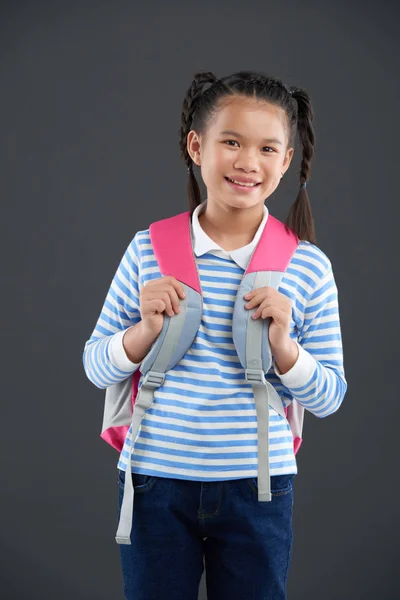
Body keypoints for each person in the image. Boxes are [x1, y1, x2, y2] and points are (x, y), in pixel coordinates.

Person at [82, 70, 347, 600]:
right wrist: (143, 331)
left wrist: (284, 347)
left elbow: (330, 396)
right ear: (196, 146)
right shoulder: (147, 250)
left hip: (260, 488)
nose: (248, 162)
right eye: (231, 142)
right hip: (154, 482)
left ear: (287, 161)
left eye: (267, 148)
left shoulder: (307, 266)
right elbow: (96, 365)